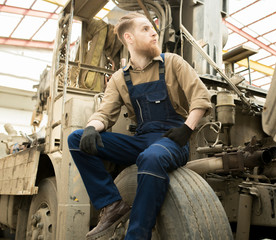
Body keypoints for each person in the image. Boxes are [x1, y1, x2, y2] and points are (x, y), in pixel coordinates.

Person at [67, 12, 212, 240]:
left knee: (151, 157)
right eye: (145, 29)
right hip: (141, 139)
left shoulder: (172, 62)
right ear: (129, 38)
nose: (154, 32)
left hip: (172, 138)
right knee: (75, 140)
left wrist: (187, 128)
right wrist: (91, 128)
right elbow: (105, 113)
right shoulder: (119, 78)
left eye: (153, 28)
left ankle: (137, 235)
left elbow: (201, 98)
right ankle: (111, 204)